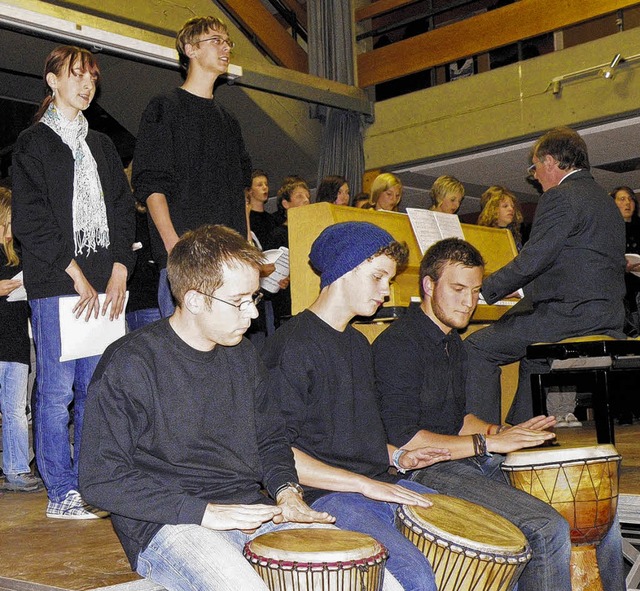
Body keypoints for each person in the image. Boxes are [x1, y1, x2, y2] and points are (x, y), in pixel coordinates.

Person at [79, 225, 338, 591]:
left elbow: (270, 438)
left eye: (254, 298)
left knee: (357, 575)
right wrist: (205, 513)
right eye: (239, 300)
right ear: (196, 300)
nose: (250, 313)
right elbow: (100, 480)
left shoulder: (245, 355)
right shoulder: (131, 363)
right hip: (167, 522)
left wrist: (286, 491)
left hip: (248, 508)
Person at [372, 237, 626, 591]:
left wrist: (504, 430)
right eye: (458, 289)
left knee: (594, 507)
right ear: (429, 285)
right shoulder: (397, 345)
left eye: (475, 290)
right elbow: (404, 437)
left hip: (466, 460)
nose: (468, 302)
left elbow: (459, 419)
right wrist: (486, 443)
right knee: (545, 526)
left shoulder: (453, 343)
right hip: (423, 471)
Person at [262, 221, 453, 591]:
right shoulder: (291, 347)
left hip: (376, 484)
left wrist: (396, 457)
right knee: (416, 577)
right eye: (378, 277)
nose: (386, 290)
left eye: (389, 280)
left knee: (479, 539)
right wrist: (363, 484)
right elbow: (275, 451)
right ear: (342, 271)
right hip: (328, 497)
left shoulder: (358, 345)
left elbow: (347, 435)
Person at [12, 45, 135, 518]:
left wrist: (121, 267)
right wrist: (74, 271)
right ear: (52, 81)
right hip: (57, 283)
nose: (87, 85)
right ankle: (60, 490)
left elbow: (124, 210)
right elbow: (31, 218)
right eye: (76, 75)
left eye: (92, 77)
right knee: (56, 393)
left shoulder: (101, 145)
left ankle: (89, 482)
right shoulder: (32, 143)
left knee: (95, 392)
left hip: (107, 286)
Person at [463, 127, 625, 425]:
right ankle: (522, 435)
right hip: (606, 316)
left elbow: (531, 261)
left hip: (569, 317)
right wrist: (523, 293)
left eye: (535, 167)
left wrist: (479, 289)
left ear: (549, 161)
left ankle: (483, 440)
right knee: (533, 359)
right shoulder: (606, 202)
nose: (534, 176)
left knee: (476, 347)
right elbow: (574, 263)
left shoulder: (560, 197)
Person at [132, 16, 252, 318]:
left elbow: (241, 193)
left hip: (229, 262)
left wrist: (247, 248)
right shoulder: (164, 107)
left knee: (226, 358)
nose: (225, 48)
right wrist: (173, 246)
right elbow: (151, 185)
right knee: (181, 359)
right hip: (186, 260)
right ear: (190, 49)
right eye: (216, 40)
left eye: (228, 42)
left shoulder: (230, 121)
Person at [0, 186, 43, 492]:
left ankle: (16, 470)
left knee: (16, 408)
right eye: (9, 220)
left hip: (15, 342)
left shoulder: (20, 255)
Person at [477, 185, 524, 250]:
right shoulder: (480, 236)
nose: (511, 209)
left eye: (513, 206)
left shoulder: (515, 239)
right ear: (492, 209)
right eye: (505, 206)